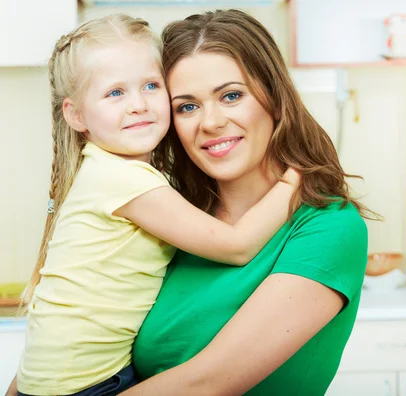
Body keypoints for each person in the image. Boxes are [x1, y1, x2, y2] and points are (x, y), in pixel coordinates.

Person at [7, 14, 299, 396]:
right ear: (76, 115)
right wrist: (296, 178)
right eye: (115, 93)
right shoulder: (125, 180)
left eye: (150, 86)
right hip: (86, 386)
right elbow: (237, 245)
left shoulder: (105, 170)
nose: (139, 105)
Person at [123, 9, 375, 395]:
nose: (210, 122)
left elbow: (204, 385)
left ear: (274, 97)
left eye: (231, 96)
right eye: (187, 106)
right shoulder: (176, 224)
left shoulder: (328, 227)